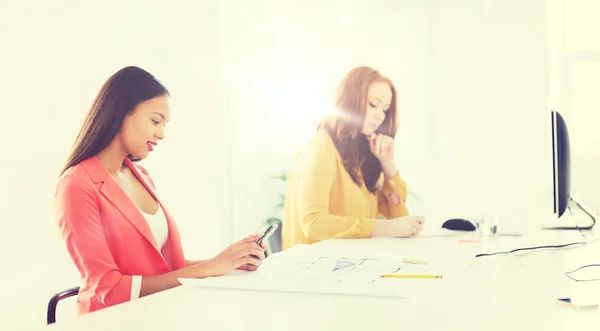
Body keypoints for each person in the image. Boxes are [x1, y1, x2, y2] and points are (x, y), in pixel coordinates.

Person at [54, 66, 266, 315]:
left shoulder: (139, 175)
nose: (161, 134)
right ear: (121, 111)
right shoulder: (77, 185)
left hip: (158, 314)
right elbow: (108, 289)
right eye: (155, 121)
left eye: (164, 124)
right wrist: (211, 268)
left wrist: (227, 262)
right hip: (112, 322)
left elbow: (165, 271)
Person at [281, 66, 425, 250]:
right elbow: (313, 223)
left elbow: (400, 220)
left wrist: (389, 167)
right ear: (350, 100)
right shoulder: (322, 147)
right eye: (373, 104)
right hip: (313, 268)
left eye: (385, 109)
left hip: (351, 263)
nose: (380, 115)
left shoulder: (365, 152)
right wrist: (384, 228)